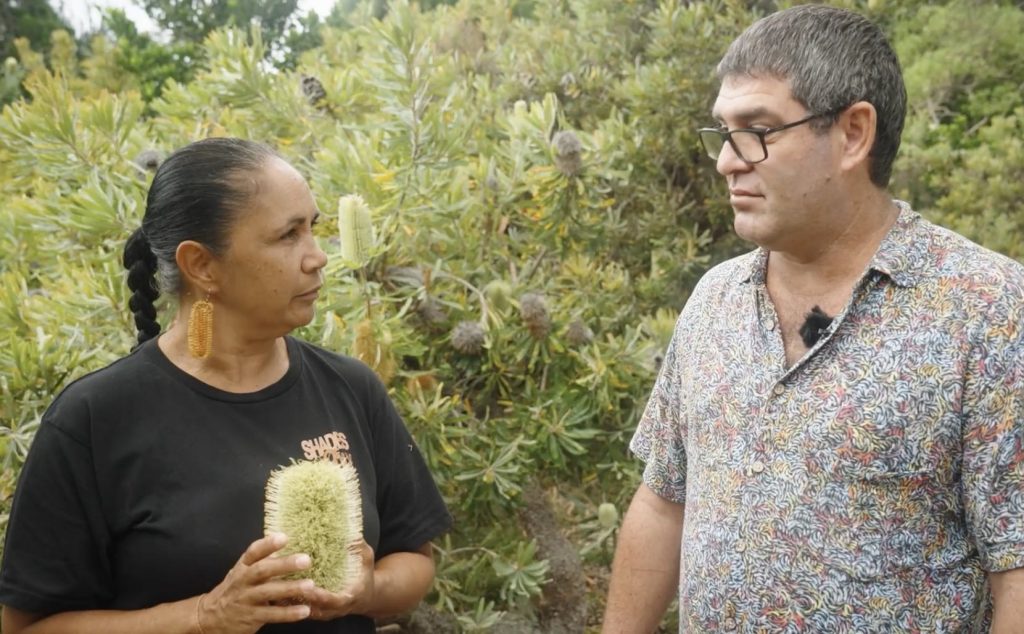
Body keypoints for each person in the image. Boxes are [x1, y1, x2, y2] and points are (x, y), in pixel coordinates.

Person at [603, 5, 1024, 633]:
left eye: (758, 130)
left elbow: (1016, 565)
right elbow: (665, 503)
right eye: (722, 131)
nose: (727, 160)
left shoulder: (988, 309)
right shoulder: (715, 298)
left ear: (853, 133)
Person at [0, 137, 453, 634]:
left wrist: (366, 592)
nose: (317, 257)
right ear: (201, 265)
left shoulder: (351, 386)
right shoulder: (94, 418)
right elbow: (27, 627)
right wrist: (203, 616)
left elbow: (413, 559)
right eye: (288, 236)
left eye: (314, 229)